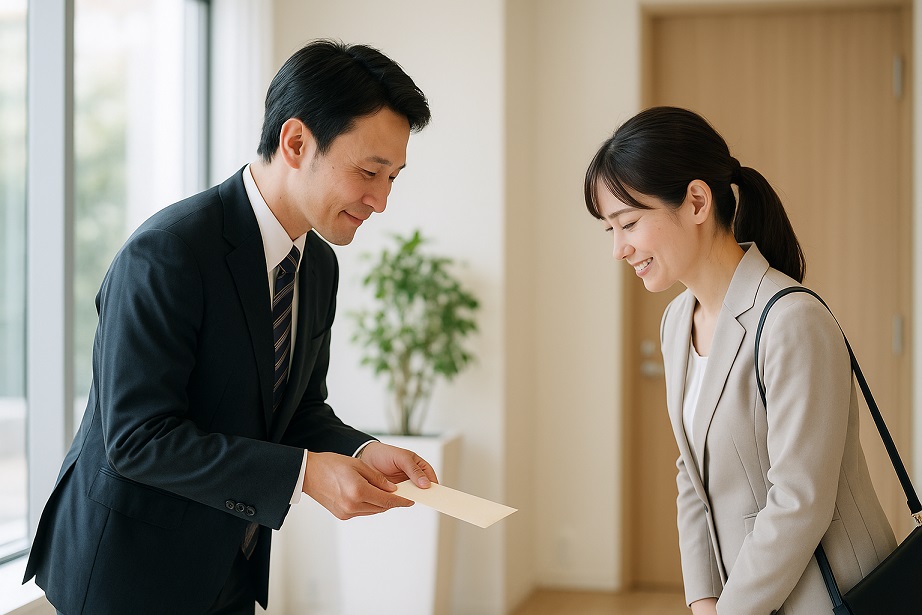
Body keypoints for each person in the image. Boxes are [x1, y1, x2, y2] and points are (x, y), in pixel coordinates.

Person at [24, 39, 439, 615]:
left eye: (392, 176)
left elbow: (297, 411)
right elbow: (138, 440)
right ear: (295, 143)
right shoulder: (167, 253)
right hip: (129, 573)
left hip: (229, 564)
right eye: (369, 171)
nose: (381, 200)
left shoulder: (317, 264)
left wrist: (360, 449)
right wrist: (304, 473)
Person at [583, 106, 896, 614]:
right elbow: (692, 472)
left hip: (832, 598)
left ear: (697, 201)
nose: (619, 248)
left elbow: (799, 501)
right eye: (610, 230)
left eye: (630, 223)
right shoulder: (675, 322)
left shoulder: (792, 320)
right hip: (745, 599)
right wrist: (703, 599)